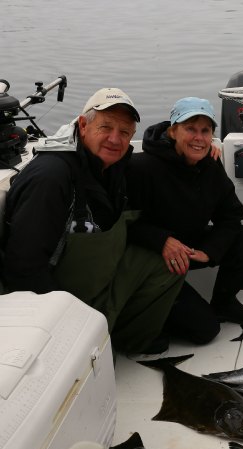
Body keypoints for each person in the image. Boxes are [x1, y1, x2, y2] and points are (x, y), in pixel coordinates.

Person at [1, 87, 184, 356]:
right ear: (83, 125)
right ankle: (86, 343)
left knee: (167, 262)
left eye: (124, 132)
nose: (114, 139)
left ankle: (123, 339)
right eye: (106, 127)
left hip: (97, 285)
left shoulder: (114, 166)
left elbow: (159, 164)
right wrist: (68, 326)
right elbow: (23, 269)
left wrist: (199, 156)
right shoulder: (51, 177)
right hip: (54, 301)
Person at [126, 97, 243, 346]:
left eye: (205, 131)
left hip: (189, 248)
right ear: (172, 131)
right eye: (190, 129)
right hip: (154, 258)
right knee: (205, 331)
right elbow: (121, 225)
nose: (198, 138)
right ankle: (151, 315)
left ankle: (224, 302)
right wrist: (162, 241)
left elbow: (231, 215)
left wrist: (209, 252)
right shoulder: (140, 168)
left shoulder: (210, 164)